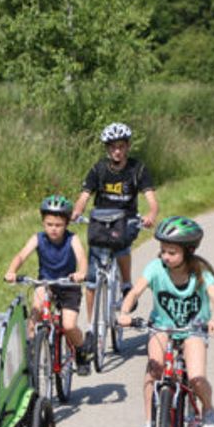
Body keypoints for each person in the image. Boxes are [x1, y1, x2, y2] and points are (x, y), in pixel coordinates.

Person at [117, 216, 214, 427]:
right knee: (154, 369)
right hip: (161, 326)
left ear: (188, 251)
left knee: (196, 377)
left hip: (193, 328)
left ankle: (208, 412)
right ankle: (149, 424)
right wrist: (125, 312)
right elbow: (135, 292)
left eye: (172, 252)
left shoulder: (200, 272)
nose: (165, 256)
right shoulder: (156, 268)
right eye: (163, 250)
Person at [71, 123, 159, 354]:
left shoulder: (137, 169)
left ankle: (126, 284)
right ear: (107, 149)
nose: (117, 152)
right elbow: (84, 195)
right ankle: (91, 326)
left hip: (126, 220)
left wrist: (150, 214)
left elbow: (151, 198)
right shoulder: (99, 169)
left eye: (121, 147)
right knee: (91, 280)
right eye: (112, 148)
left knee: (121, 246)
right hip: (100, 221)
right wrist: (78, 211)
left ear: (127, 147)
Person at [4, 194, 90, 374]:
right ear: (43, 223)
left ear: (66, 224)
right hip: (46, 282)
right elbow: (21, 255)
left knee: (68, 325)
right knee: (35, 313)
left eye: (58, 225)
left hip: (68, 285)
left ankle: (81, 351)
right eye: (49, 224)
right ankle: (32, 352)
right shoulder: (38, 238)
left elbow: (81, 257)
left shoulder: (72, 239)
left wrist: (81, 273)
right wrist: (12, 271)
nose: (53, 229)